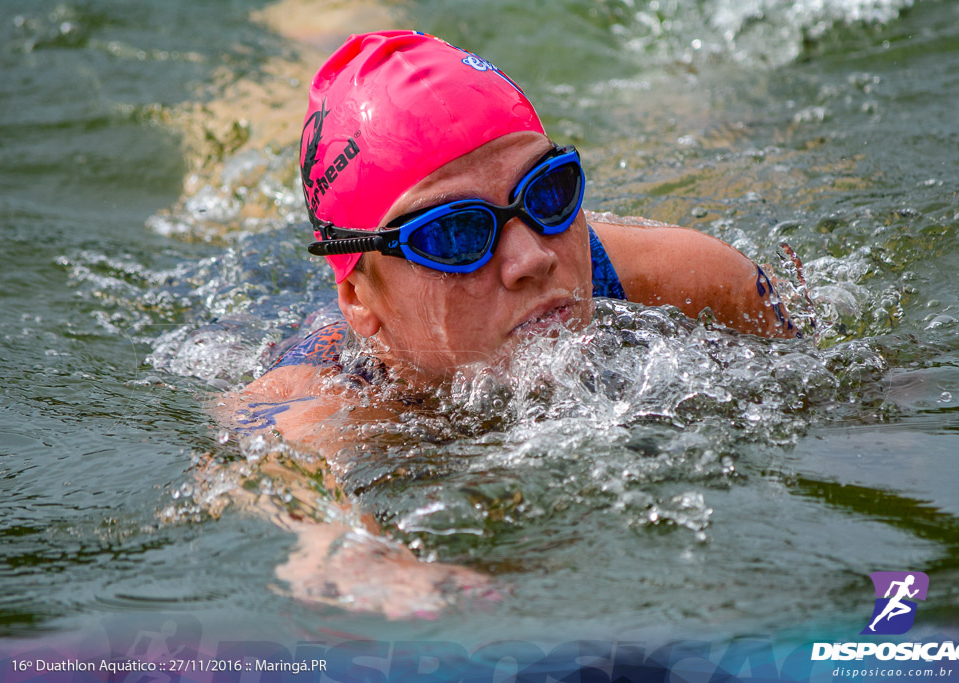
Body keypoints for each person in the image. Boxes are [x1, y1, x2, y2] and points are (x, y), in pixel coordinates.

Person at [218, 30, 801, 618]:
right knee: (223, 164)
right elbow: (276, 473)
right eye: (456, 234)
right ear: (359, 300)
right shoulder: (332, 388)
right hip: (253, 278)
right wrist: (354, 553)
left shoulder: (692, 279)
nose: (533, 259)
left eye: (548, 190)